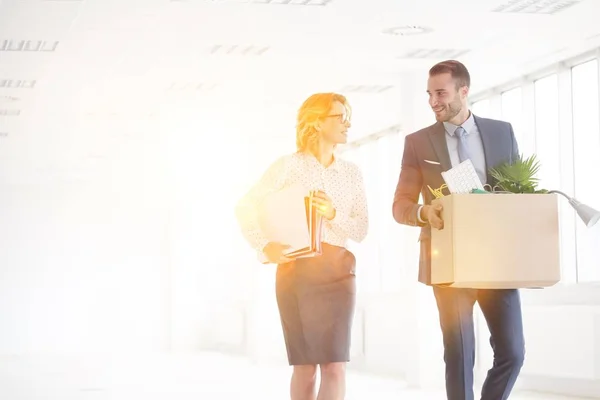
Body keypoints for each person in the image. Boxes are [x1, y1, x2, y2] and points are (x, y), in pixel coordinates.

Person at [392, 60, 525, 400]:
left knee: (513, 352)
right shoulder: (418, 143)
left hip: (496, 260)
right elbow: (401, 206)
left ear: (464, 91)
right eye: (429, 94)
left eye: (441, 93)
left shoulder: (501, 132)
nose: (433, 101)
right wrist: (425, 211)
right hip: (449, 260)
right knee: (460, 354)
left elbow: (518, 194)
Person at [235, 92, 369, 400]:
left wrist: (332, 214)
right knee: (306, 368)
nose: (348, 123)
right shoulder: (287, 166)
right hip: (297, 273)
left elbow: (361, 229)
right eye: (340, 117)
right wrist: (264, 246)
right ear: (317, 123)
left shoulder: (351, 174)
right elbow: (246, 206)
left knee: (336, 366)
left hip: (339, 273)